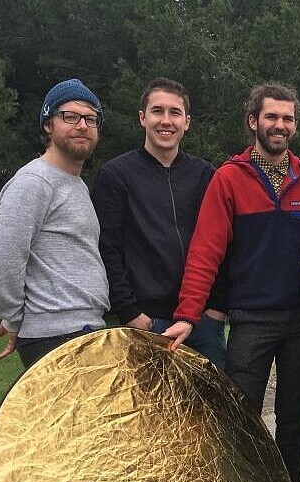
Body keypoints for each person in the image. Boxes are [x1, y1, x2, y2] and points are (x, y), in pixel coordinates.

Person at [160, 82, 300, 482]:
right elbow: (206, 250)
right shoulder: (228, 179)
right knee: (240, 424)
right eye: (271, 117)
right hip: (252, 320)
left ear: (295, 125)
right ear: (252, 121)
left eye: (288, 119)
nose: (280, 125)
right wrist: (188, 314)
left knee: (295, 426)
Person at [91, 77, 226, 368]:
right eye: (157, 111)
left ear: (187, 122)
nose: (166, 121)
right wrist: (129, 312)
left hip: (202, 321)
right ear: (143, 117)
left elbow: (224, 243)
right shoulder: (116, 176)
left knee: (208, 410)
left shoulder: (205, 175)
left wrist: (217, 307)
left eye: (174, 113)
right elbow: (107, 250)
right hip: (146, 321)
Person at [0, 78, 109, 369]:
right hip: (55, 337)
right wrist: (13, 318)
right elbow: (5, 258)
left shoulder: (75, 185)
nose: (82, 125)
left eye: (91, 119)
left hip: (84, 330)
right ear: (47, 124)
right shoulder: (33, 183)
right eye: (70, 116)